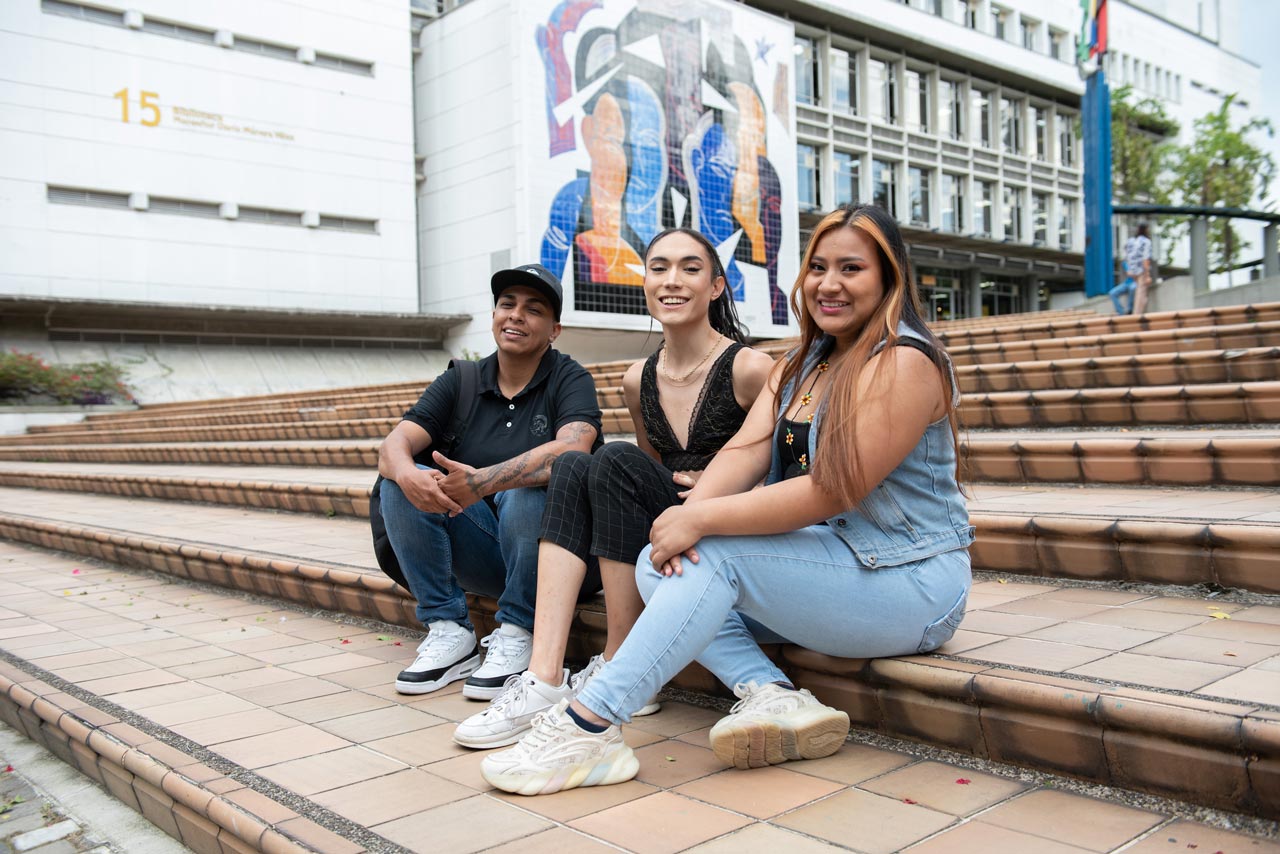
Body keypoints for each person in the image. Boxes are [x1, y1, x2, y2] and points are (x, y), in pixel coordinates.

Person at [479, 204, 975, 795]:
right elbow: (745, 452)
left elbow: (832, 489)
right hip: (841, 561)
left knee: (711, 554)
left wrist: (704, 519)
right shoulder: (804, 365)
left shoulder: (904, 362)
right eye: (818, 267)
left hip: (913, 579)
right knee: (654, 564)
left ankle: (589, 724)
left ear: (888, 279)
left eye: (852, 268)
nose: (829, 284)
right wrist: (684, 521)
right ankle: (774, 695)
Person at [453, 228, 774, 748]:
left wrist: (723, 484)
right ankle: (544, 673)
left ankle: (622, 659)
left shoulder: (750, 367)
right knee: (582, 464)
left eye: (690, 269)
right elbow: (646, 469)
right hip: (664, 522)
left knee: (609, 457)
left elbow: (779, 468)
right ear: (644, 281)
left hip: (724, 523)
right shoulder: (636, 378)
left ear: (716, 286)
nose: (672, 280)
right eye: (659, 268)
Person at [378, 264, 604, 699]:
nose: (516, 315)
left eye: (533, 309)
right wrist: (408, 474)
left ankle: (519, 631)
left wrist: (482, 482)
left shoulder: (569, 379)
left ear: (554, 329)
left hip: (559, 557)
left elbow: (574, 449)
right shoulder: (461, 380)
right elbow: (394, 445)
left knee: (525, 490)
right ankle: (449, 631)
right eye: (507, 305)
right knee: (401, 477)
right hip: (487, 551)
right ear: (494, 315)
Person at [1109, 223, 1153, 315]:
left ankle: (1130, 311)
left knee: (1136, 291)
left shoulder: (1131, 242)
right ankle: (1132, 313)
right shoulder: (1146, 242)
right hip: (1139, 272)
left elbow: (1127, 257)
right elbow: (1145, 260)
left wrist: (1130, 270)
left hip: (1133, 272)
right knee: (1140, 295)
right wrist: (1147, 275)